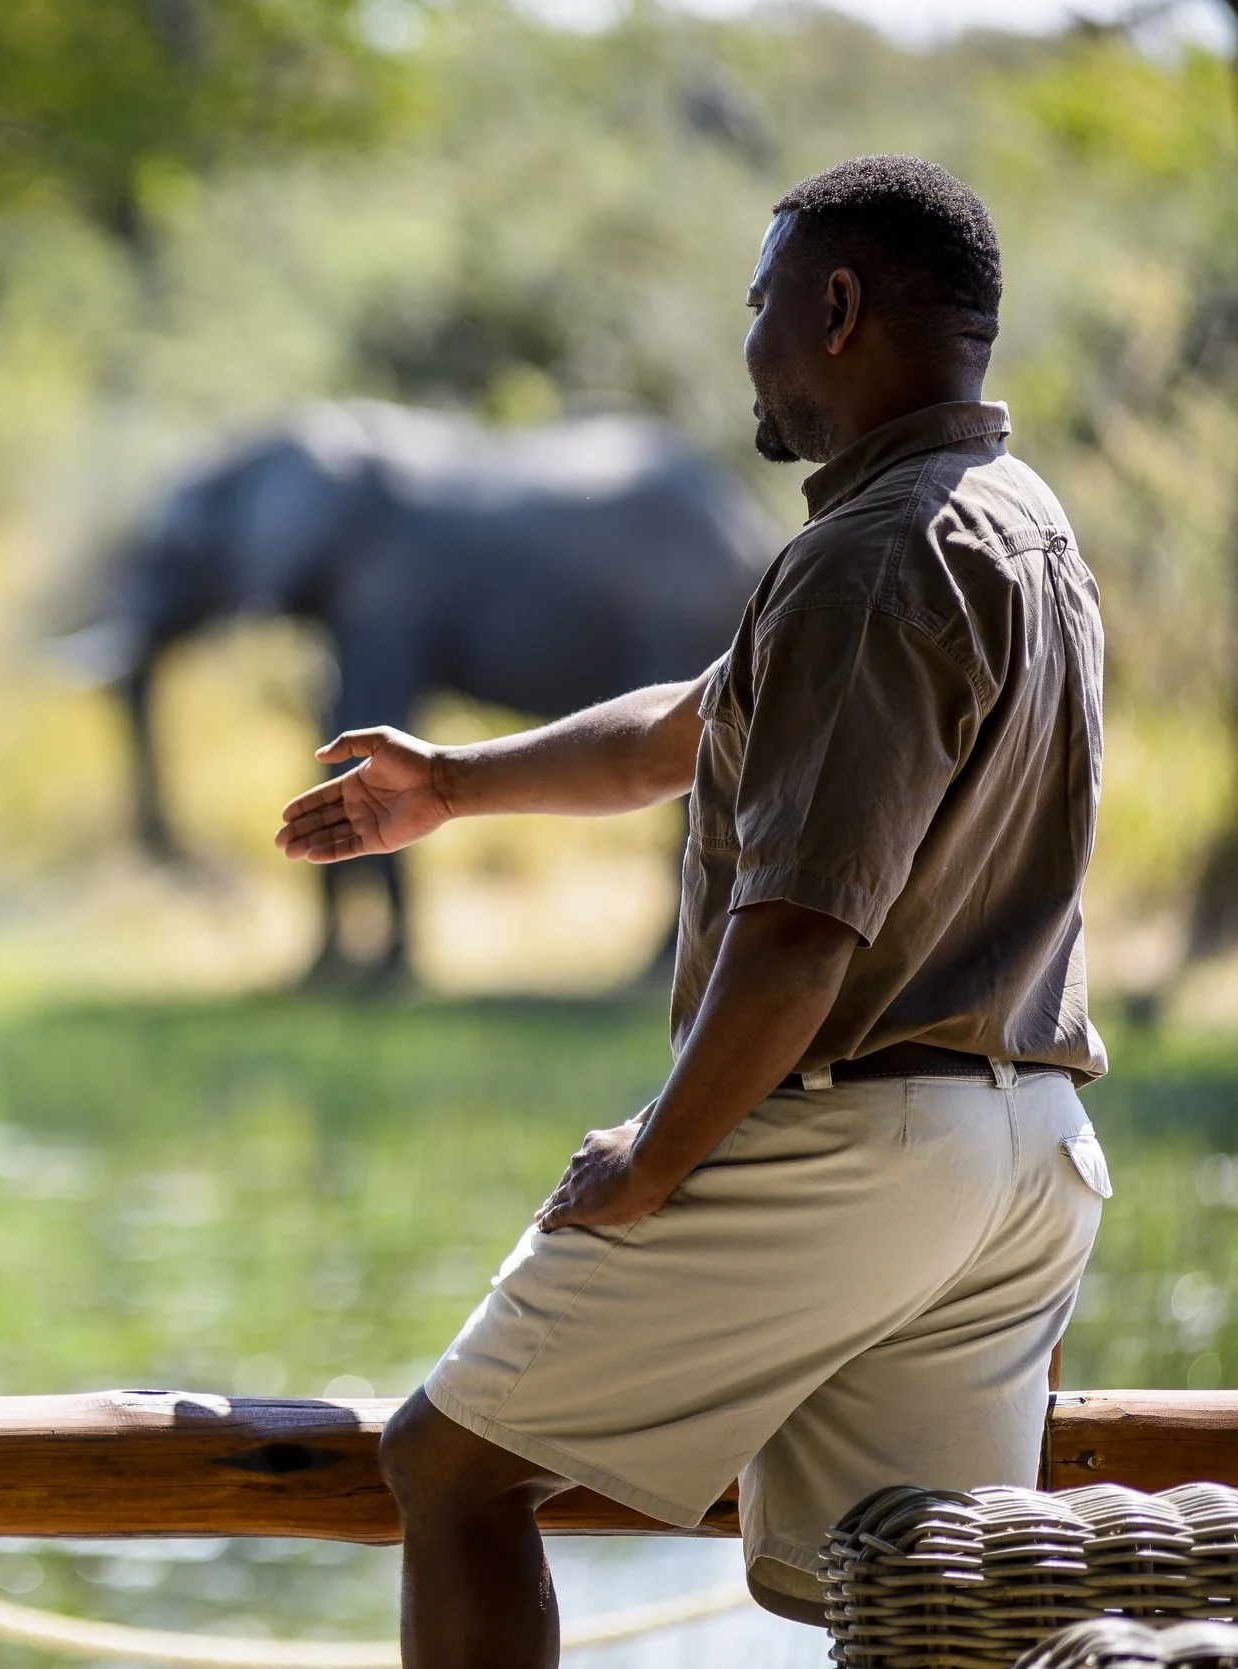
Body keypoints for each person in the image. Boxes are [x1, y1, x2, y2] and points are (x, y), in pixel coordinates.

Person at [276, 156, 1111, 1664]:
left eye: (763, 301)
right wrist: (453, 782)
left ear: (838, 306)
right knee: (916, 1598)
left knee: (452, 1467)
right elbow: (689, 730)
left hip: (866, 1138)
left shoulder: (871, 558)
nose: (750, 344)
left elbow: (798, 935)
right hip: (1030, 1153)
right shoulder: (1016, 521)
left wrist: (654, 1158)